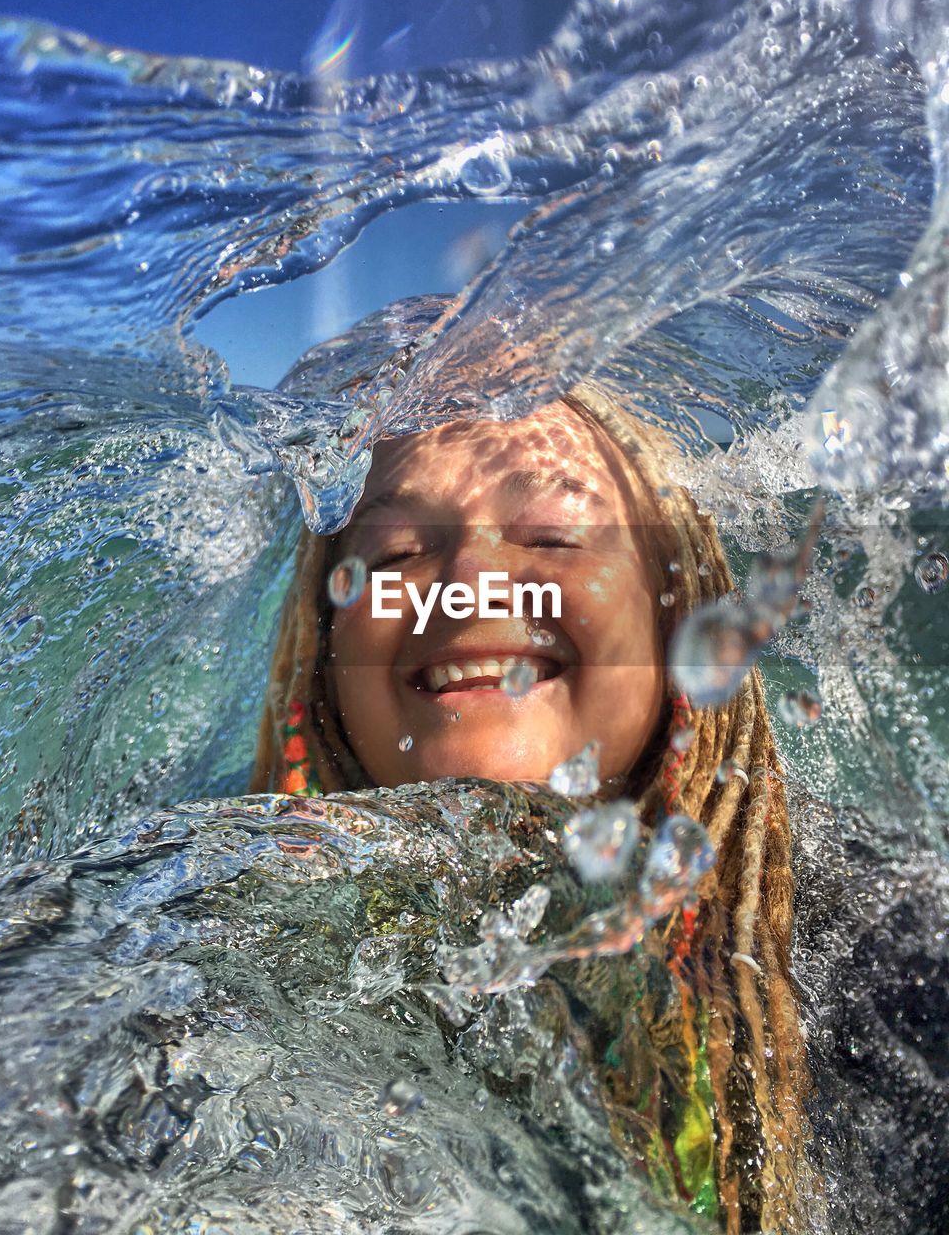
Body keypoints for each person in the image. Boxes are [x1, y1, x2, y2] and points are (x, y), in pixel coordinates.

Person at [249, 378, 809, 1234]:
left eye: (555, 534)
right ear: (326, 659)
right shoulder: (193, 935)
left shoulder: (886, 964)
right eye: (399, 552)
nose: (469, 579)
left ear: (679, 617)